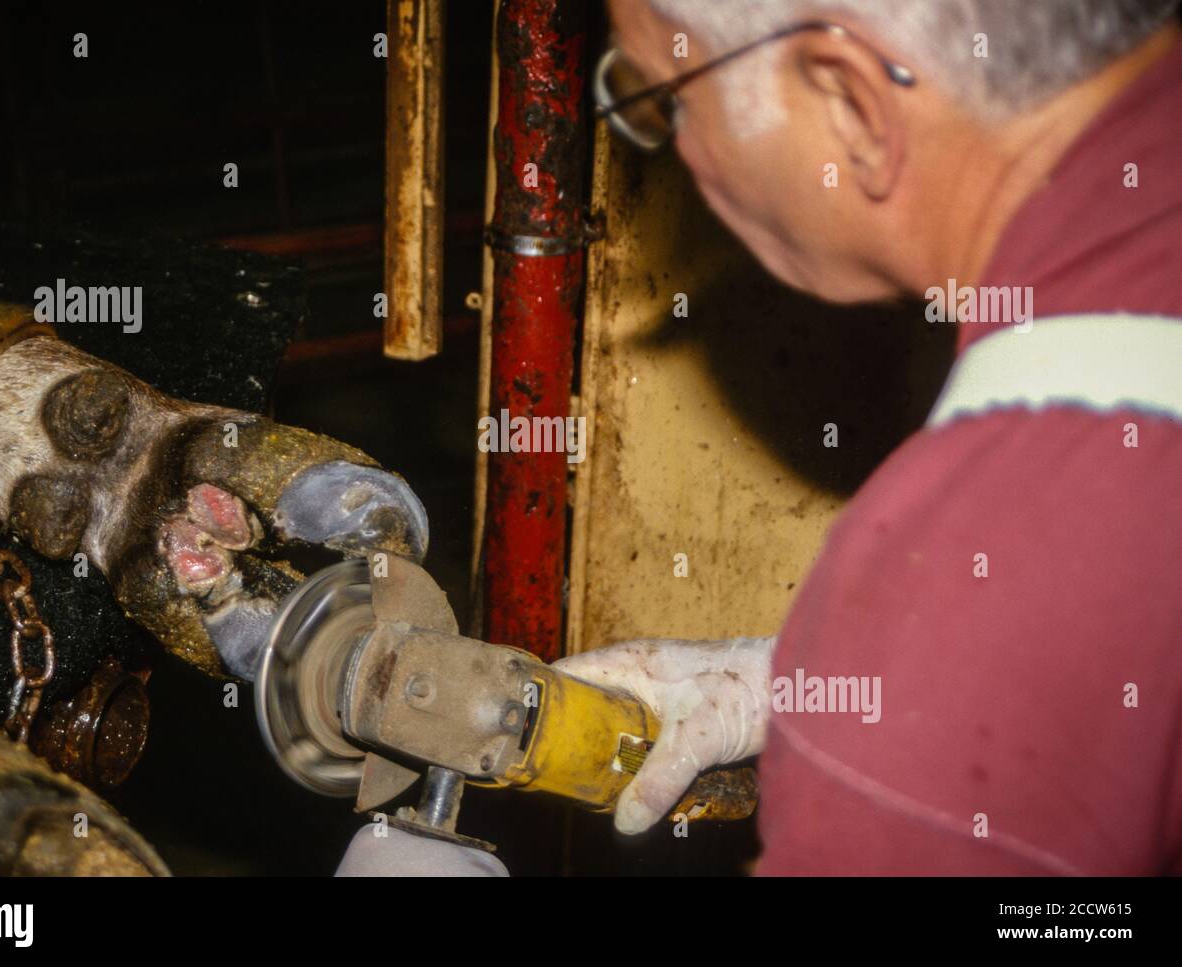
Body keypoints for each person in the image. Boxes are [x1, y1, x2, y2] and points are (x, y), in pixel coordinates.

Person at [339, 0, 1182, 875]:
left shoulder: (947, 581)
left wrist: (899, 724)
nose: (681, 152)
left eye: (670, 99)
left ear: (849, 101)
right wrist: (805, 687)